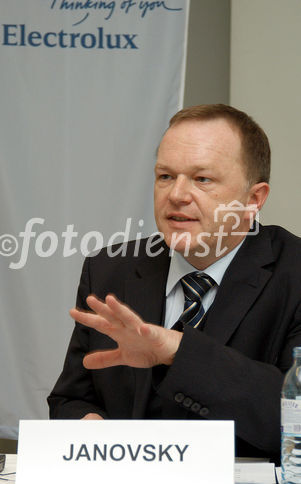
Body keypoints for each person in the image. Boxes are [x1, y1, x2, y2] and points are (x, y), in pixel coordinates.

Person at [48, 104, 301, 462]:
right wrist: (91, 430)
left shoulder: (293, 274)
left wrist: (179, 352)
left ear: (253, 199)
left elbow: (293, 418)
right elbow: (69, 400)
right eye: (165, 176)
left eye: (202, 179)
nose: (177, 195)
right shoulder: (109, 269)